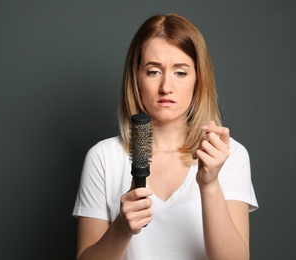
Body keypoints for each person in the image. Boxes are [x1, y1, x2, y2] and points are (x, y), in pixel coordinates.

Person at [72, 13, 258, 260]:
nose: (166, 87)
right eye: (153, 72)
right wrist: (121, 228)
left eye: (180, 72)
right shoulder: (104, 157)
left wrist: (210, 184)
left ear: (198, 79)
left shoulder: (228, 155)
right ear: (136, 78)